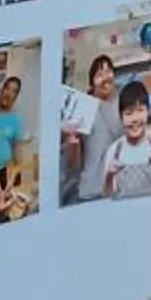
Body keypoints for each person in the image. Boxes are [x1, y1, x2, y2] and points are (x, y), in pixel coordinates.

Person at [59, 49, 116, 198]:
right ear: (92, 83)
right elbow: (73, 166)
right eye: (99, 75)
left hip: (119, 186)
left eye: (108, 71)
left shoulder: (121, 105)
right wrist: (73, 143)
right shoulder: (83, 109)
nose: (105, 78)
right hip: (93, 190)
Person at [99, 83, 151, 199]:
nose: (135, 119)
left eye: (140, 110)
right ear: (121, 117)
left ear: (147, 112)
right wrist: (109, 175)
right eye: (129, 113)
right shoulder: (114, 150)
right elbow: (107, 196)